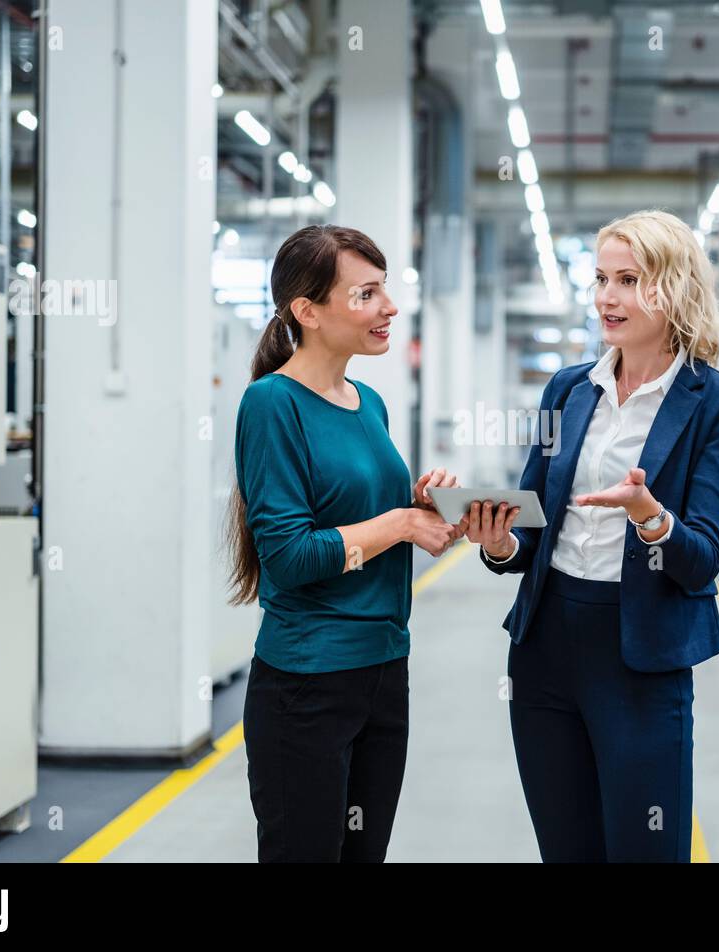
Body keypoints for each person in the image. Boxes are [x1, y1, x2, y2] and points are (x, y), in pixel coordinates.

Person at [468, 209, 719, 862]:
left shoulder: (718, 403)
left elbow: (702, 559)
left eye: (628, 279)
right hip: (545, 652)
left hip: (640, 659)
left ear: (673, 288)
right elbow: (530, 529)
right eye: (600, 278)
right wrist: (498, 542)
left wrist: (650, 516)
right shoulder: (569, 390)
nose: (606, 297)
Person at [225, 224, 466, 862]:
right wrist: (404, 526)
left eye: (385, 290)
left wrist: (422, 504)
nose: (388, 308)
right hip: (308, 681)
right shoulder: (272, 404)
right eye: (366, 295)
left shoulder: (371, 403)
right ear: (307, 312)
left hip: (383, 670)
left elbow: (357, 519)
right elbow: (291, 556)